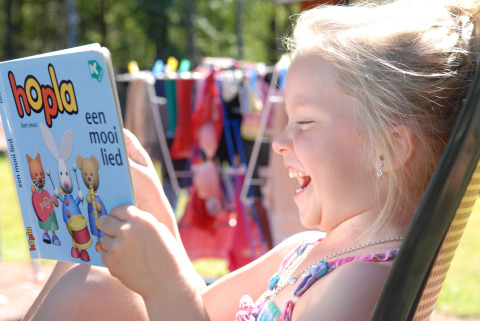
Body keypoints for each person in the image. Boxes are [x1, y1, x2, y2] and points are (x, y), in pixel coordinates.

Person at [23, 0, 480, 320]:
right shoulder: (302, 252)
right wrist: (159, 218)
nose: (279, 141)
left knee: (91, 290)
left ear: (390, 146)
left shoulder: (360, 288)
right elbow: (195, 309)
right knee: (89, 270)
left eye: (303, 122)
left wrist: (161, 283)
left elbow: (173, 298)